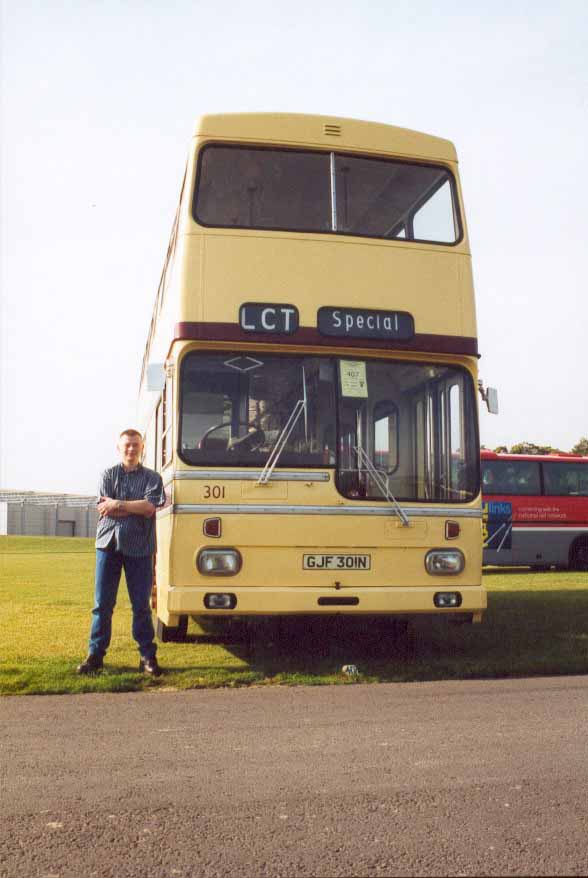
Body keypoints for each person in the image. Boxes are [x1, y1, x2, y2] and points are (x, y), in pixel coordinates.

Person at [77, 429, 165, 676]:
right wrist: (130, 507)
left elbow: (149, 507)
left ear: (142, 447)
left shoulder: (152, 478)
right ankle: (95, 655)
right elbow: (104, 509)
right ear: (119, 447)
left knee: (141, 606)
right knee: (102, 605)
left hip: (140, 549)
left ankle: (147, 656)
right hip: (108, 546)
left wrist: (117, 503)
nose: (131, 449)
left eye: (135, 445)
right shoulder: (108, 474)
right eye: (127, 445)